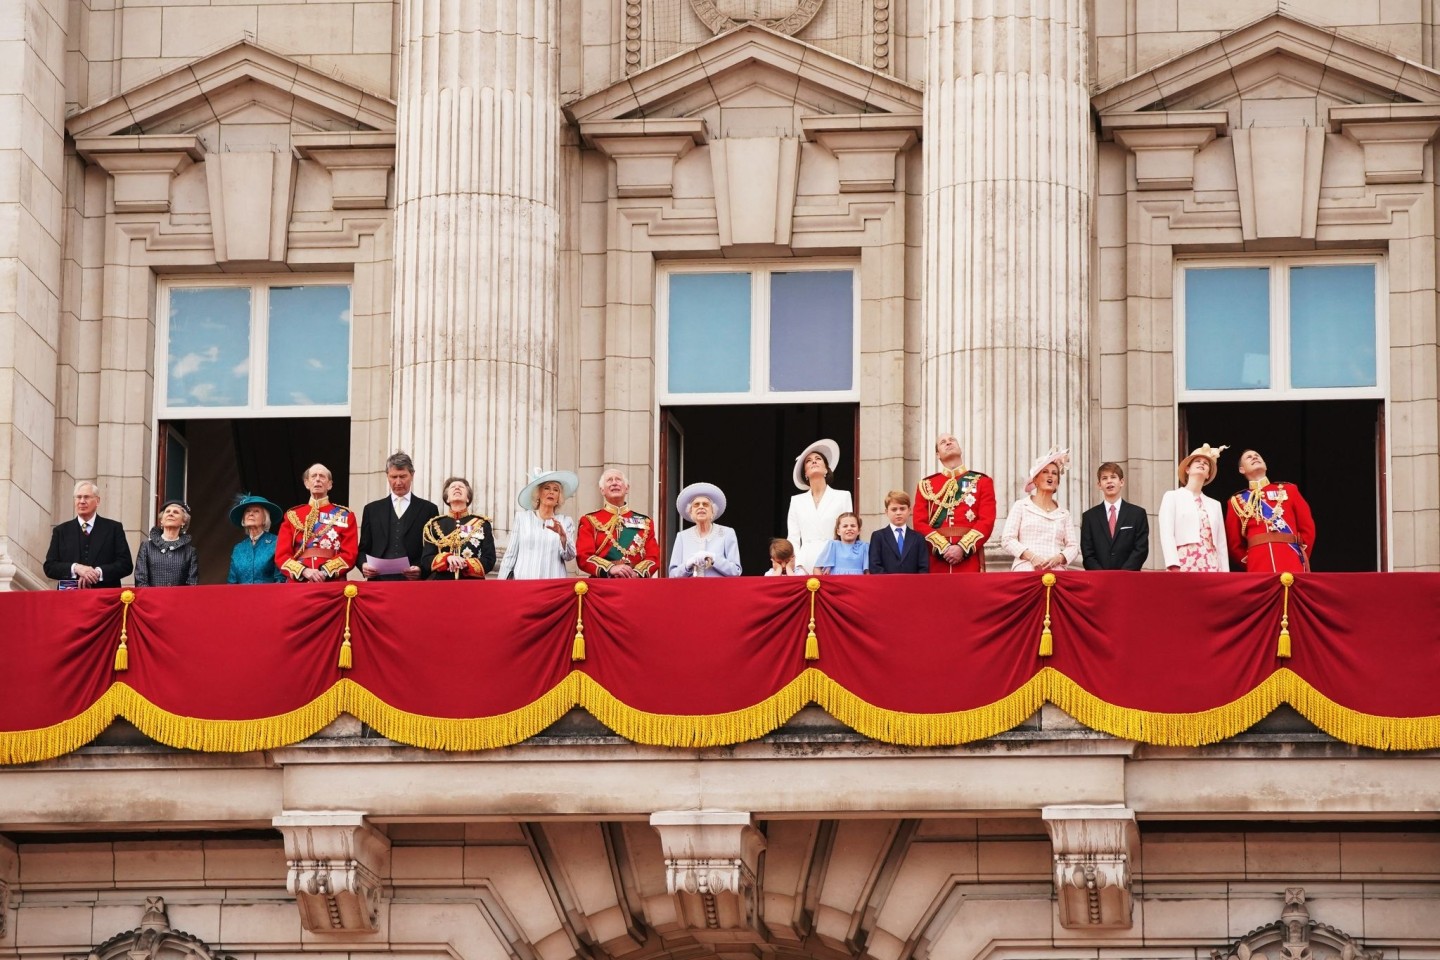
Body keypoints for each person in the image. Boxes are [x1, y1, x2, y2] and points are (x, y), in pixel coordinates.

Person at [914, 433, 996, 573]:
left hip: (969, 559)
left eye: (952, 440)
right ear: (937, 454)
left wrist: (962, 548)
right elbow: (919, 523)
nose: (948, 442)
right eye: (943, 442)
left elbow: (986, 521)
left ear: (960, 448)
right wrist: (943, 548)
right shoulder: (926, 485)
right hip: (936, 560)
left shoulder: (982, 481)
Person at [1225, 449, 1315, 573]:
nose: (1254, 457)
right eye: (1249, 457)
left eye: (1257, 455)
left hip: (1291, 558)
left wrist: (1299, 555)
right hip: (1258, 564)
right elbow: (1234, 545)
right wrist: (1250, 561)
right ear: (1242, 469)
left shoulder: (1290, 490)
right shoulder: (1236, 501)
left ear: (1265, 466)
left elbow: (1307, 528)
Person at [358, 451, 440, 581]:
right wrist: (364, 565)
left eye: (403, 476)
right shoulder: (371, 510)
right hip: (378, 581)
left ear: (412, 475)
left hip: (413, 582)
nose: (398, 482)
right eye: (393, 477)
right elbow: (363, 549)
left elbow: (433, 549)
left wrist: (421, 569)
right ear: (387, 476)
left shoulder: (428, 509)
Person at [1000, 447, 1080, 571]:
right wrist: (1032, 557)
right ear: (1035, 480)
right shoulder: (1021, 506)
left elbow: (1073, 547)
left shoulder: (1064, 513)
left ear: (1057, 483)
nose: (1050, 475)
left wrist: (1059, 558)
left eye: (1054, 473)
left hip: (1056, 571)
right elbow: (1007, 539)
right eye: (1045, 472)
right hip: (1026, 569)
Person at [276, 463, 358, 582]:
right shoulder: (292, 515)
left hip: (331, 583)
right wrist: (304, 571)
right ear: (306, 483)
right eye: (313, 476)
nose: (318, 479)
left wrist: (324, 572)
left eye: (322, 476)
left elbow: (350, 554)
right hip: (299, 584)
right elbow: (281, 555)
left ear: (329, 485)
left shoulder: (345, 515)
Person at [44, 480, 133, 588]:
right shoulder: (61, 531)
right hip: (69, 597)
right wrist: (76, 568)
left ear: (97, 501)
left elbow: (126, 565)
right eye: (78, 497)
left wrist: (97, 573)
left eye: (86, 497)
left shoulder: (114, 529)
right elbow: (49, 567)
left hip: (104, 597)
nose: (82, 501)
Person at [1158, 443, 1230, 572]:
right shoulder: (1172, 496)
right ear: (1187, 469)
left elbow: (1221, 544)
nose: (1202, 463)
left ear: (1208, 474)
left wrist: (1225, 573)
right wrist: (1173, 564)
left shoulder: (1215, 504)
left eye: (1206, 463)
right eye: (1197, 461)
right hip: (1183, 562)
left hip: (1212, 565)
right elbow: (1166, 533)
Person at [576, 468, 660, 578]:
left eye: (618, 479)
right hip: (602, 584)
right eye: (609, 480)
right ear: (602, 490)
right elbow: (583, 556)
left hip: (634, 583)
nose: (614, 483)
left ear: (627, 488)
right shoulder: (589, 520)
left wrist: (637, 573)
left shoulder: (645, 522)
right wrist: (610, 568)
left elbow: (653, 557)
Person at [497, 468, 578, 580]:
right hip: (523, 584)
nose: (551, 492)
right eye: (546, 488)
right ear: (538, 494)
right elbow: (511, 554)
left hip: (553, 585)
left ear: (559, 497)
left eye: (556, 490)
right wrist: (501, 584)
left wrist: (563, 537)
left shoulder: (565, 521)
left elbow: (569, 556)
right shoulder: (522, 518)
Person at [786, 439, 854, 573]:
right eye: (808, 460)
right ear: (805, 473)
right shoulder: (796, 501)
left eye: (818, 458)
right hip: (805, 563)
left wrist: (838, 562)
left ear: (826, 470)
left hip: (835, 563)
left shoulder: (843, 496)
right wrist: (798, 566)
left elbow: (847, 533)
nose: (814, 461)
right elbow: (793, 537)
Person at [1079, 461, 1150, 570]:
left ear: (1121, 482)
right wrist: (1103, 576)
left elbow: (1141, 549)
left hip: (1129, 578)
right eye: (1104, 478)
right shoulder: (1089, 517)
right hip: (1099, 580)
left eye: (1113, 477)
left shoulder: (1137, 514)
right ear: (1099, 485)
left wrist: (1122, 574)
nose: (1109, 481)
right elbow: (1087, 553)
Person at [420, 476, 495, 579]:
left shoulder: (482, 524)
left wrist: (466, 564)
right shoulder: (434, 525)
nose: (457, 488)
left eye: (461, 487)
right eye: (453, 487)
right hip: (442, 584)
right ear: (447, 498)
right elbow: (426, 559)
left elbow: (489, 559)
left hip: (472, 585)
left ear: (468, 498)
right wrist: (446, 559)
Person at [668, 482, 741, 578]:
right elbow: (673, 575)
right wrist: (687, 566)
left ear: (713, 511)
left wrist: (714, 558)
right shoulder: (682, 536)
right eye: (696, 505)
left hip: (719, 590)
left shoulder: (727, 533)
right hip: (689, 591)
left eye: (705, 504)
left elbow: (736, 572)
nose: (701, 507)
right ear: (691, 512)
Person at [134, 499, 199, 587]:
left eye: (176, 512)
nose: (170, 514)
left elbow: (192, 583)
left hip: (179, 600)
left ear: (183, 521)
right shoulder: (147, 546)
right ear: (161, 520)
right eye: (167, 511)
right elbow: (140, 579)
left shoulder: (190, 551)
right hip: (151, 599)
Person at [227, 493, 285, 584]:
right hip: (242, 597)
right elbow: (232, 583)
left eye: (256, 511)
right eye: (247, 511)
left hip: (269, 597)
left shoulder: (276, 542)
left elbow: (280, 579)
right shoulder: (238, 548)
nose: (251, 514)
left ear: (265, 519)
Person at [870, 490, 927, 574]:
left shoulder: (918, 538)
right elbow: (874, 566)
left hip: (912, 585)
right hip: (886, 585)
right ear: (887, 512)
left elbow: (924, 567)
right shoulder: (878, 536)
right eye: (894, 509)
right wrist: (891, 583)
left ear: (909, 511)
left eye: (902, 509)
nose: (898, 513)